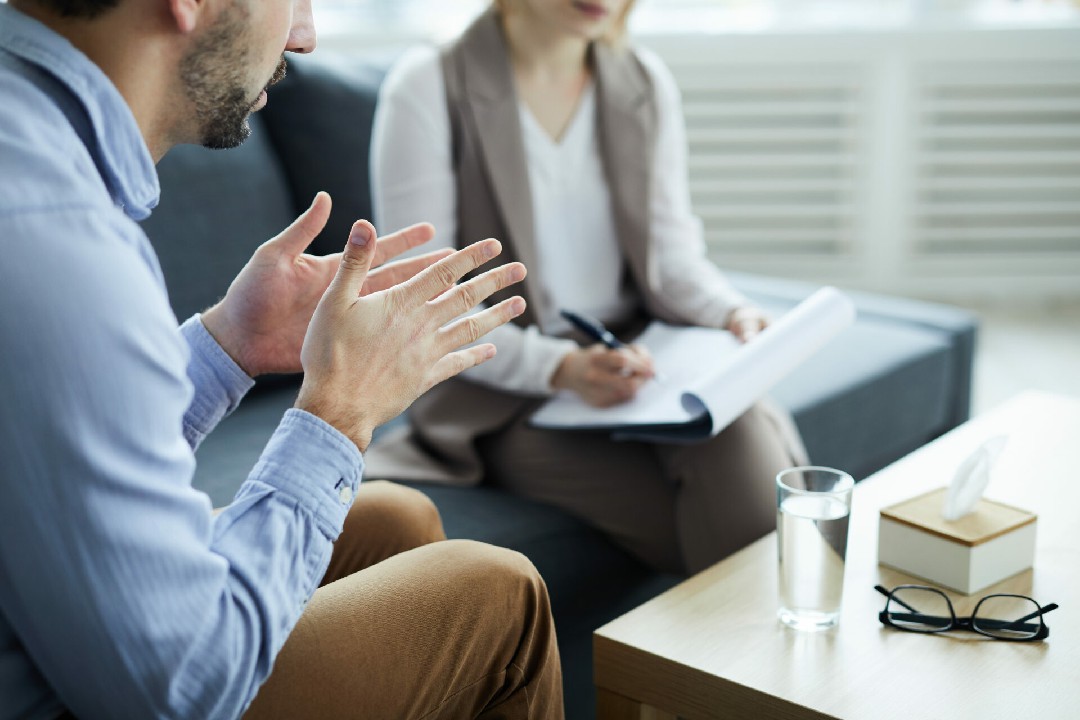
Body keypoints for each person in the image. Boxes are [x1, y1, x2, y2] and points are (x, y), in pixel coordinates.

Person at [0, 0, 564, 718]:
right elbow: (185, 687)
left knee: (393, 517)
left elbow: (53, 446)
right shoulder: (57, 243)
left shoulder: (28, 140)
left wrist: (231, 343)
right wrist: (339, 413)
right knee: (496, 594)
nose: (304, 35)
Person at [367, 0, 809, 576]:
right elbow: (429, 301)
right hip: (507, 394)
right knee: (738, 541)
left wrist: (731, 311)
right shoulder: (428, 86)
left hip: (635, 358)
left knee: (737, 433)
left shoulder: (642, 81)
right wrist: (562, 369)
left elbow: (673, 262)